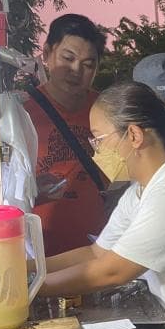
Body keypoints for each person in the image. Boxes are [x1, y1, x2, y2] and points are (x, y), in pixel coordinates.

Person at [38, 81, 165, 329]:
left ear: (133, 135)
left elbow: (113, 270)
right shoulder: (139, 191)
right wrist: (28, 268)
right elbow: (97, 253)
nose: (95, 152)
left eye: (98, 140)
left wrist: (32, 290)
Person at [24, 14, 108, 256]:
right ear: (47, 54)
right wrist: (30, 191)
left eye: (88, 64)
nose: (75, 71)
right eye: (68, 58)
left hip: (98, 255)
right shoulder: (21, 113)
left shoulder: (106, 111)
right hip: (37, 256)